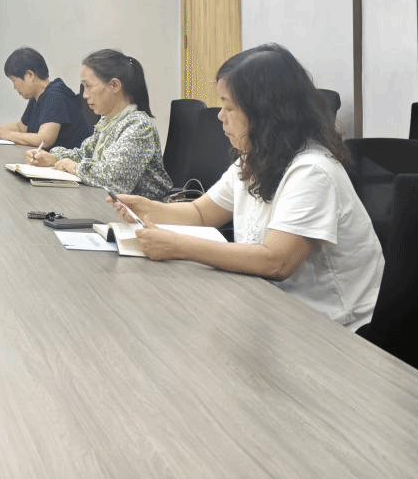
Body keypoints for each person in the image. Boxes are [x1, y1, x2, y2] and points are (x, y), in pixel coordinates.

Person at [110, 44, 383, 330]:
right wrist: (148, 208)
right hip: (270, 306)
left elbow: (276, 261)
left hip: (333, 327)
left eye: (229, 107)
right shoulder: (254, 159)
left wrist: (179, 246)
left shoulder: (312, 171)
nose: (220, 115)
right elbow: (200, 213)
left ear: (266, 113)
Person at [28, 48, 171, 198]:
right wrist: (54, 157)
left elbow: (115, 180)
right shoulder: (108, 120)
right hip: (108, 202)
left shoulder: (139, 126)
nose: (84, 95)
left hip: (140, 209)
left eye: (88, 86)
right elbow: (84, 154)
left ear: (114, 85)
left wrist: (74, 167)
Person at [0, 46, 92, 149]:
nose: (14, 87)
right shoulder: (37, 95)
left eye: (14, 80)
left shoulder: (55, 96)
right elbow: (21, 127)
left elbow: (44, 139)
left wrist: (9, 135)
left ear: (30, 75)